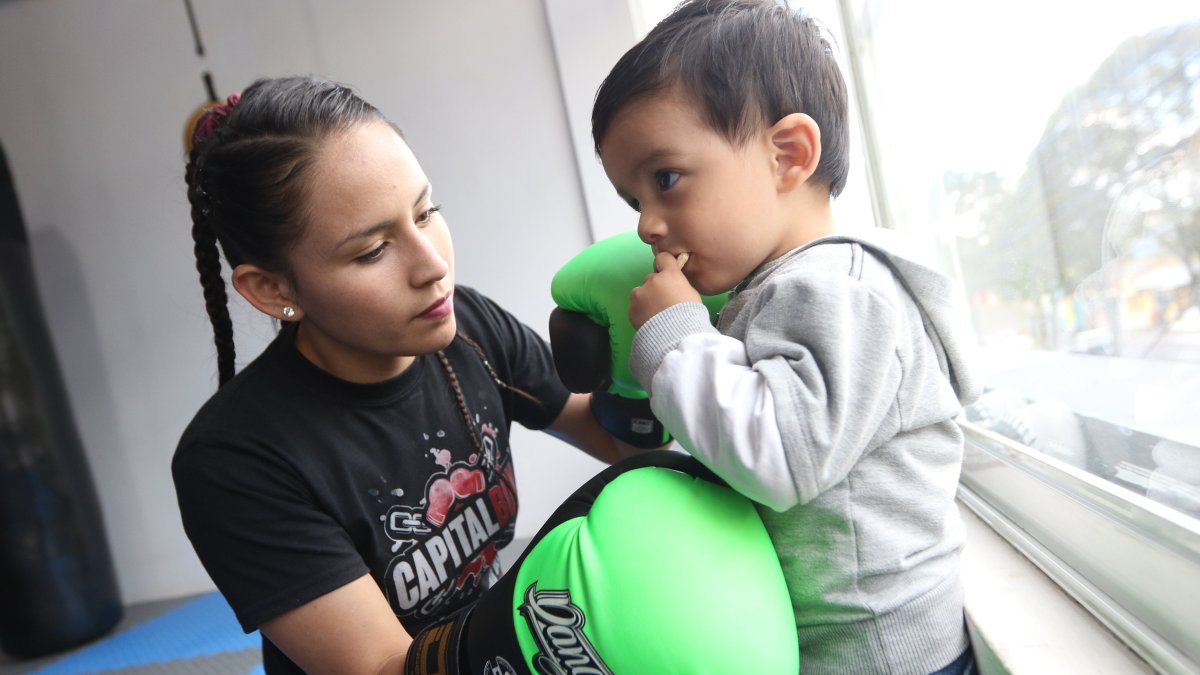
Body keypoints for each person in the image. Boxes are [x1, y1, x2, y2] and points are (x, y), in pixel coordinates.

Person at [172, 75, 650, 674]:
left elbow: (620, 444)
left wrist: (650, 361)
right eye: (372, 251)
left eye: (426, 213)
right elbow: (380, 667)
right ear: (272, 288)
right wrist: (560, 631)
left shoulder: (467, 328)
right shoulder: (237, 460)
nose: (433, 267)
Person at [590, 1, 982, 673]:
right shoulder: (785, 288)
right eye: (635, 201)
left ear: (788, 155)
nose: (647, 225)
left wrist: (673, 331)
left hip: (881, 656)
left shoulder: (839, 290)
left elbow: (778, 455)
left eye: (666, 180)